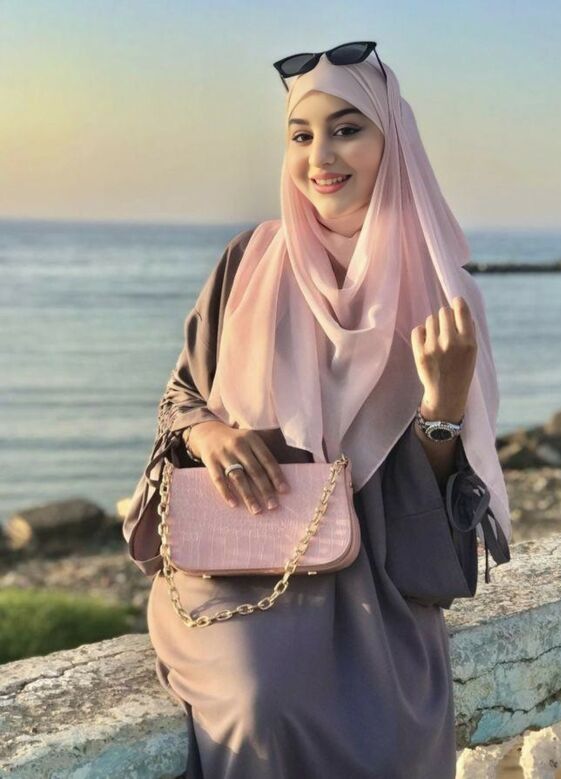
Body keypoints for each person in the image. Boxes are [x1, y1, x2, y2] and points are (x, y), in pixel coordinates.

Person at [123, 42, 512, 778]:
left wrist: (443, 404)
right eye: (301, 135)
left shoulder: (439, 290)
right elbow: (181, 396)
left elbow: (435, 516)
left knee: (385, 722)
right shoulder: (249, 260)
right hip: (239, 558)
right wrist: (211, 433)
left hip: (374, 576)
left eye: (347, 129)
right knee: (259, 704)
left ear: (393, 141)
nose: (320, 156)